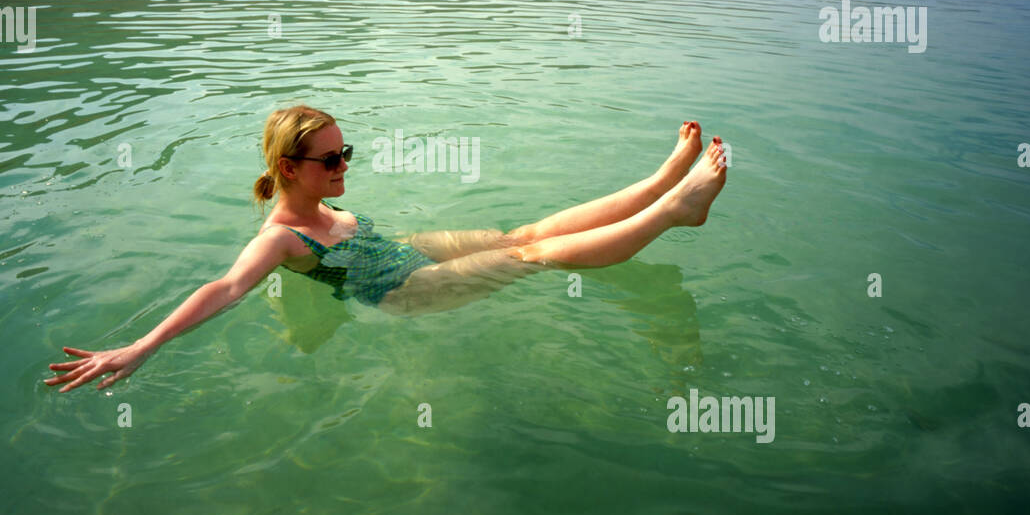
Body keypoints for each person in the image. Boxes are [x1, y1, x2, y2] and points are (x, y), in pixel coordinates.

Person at [46, 105, 728, 392]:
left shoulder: (323, 202)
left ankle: (662, 179)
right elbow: (224, 289)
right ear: (290, 168)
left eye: (346, 152)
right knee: (531, 257)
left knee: (523, 232)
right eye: (329, 159)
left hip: (400, 249)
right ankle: (675, 210)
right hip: (401, 292)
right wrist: (140, 346)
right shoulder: (280, 239)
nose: (343, 166)